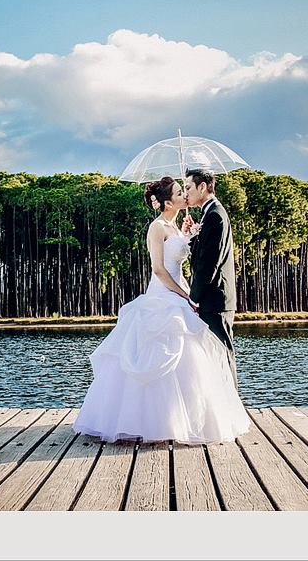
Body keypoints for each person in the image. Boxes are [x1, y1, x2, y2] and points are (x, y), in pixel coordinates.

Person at [72, 176, 250, 444]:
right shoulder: (157, 228)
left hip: (182, 292)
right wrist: (184, 294)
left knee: (191, 359)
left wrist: (190, 236)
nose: (185, 195)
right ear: (169, 202)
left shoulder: (177, 227)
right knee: (157, 355)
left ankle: (190, 418)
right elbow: (158, 269)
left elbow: (187, 256)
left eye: (185, 189)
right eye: (180, 192)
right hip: (163, 295)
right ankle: (148, 421)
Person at [183, 168, 239, 390]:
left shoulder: (215, 215)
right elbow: (203, 254)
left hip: (216, 299)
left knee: (222, 352)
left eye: (188, 188)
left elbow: (209, 264)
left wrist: (193, 298)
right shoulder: (209, 214)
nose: (186, 193)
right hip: (214, 299)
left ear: (202, 187)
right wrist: (191, 237)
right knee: (214, 354)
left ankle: (232, 407)